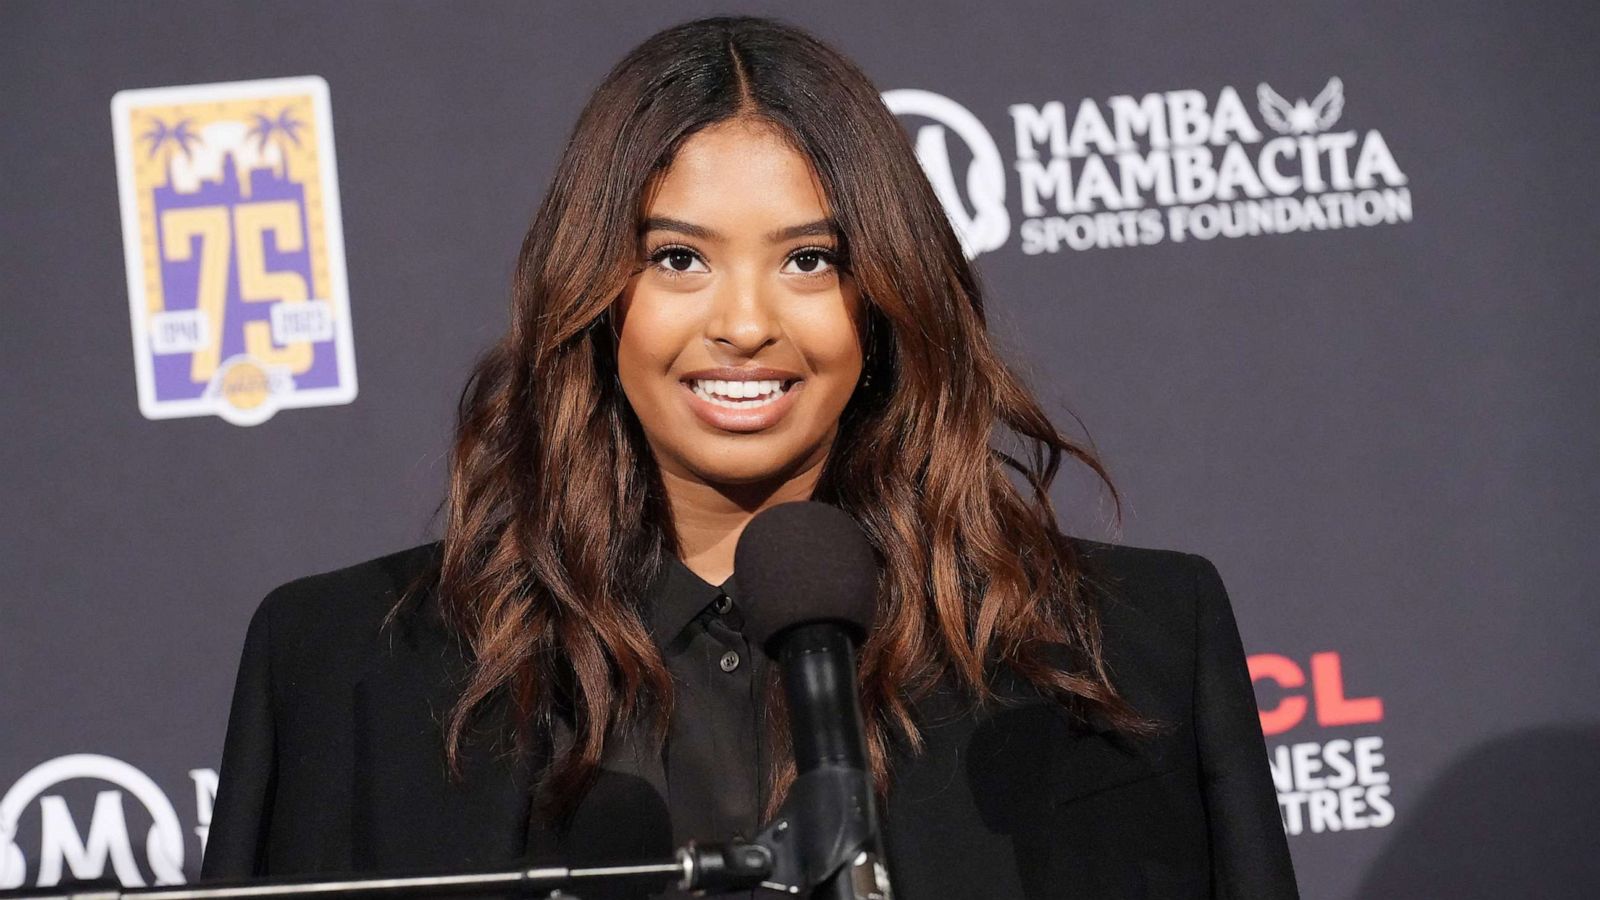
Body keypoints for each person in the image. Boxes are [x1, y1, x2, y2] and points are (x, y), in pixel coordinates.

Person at [201, 14, 1298, 900]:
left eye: (809, 259)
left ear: (883, 297)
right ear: (593, 298)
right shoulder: (343, 668)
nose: (743, 322)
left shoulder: (1134, 650)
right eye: (678, 258)